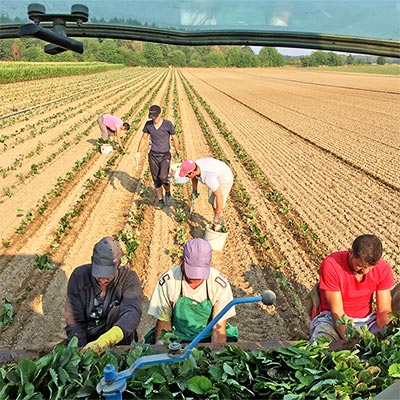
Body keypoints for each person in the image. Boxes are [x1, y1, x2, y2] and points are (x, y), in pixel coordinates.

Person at [145, 238, 238, 344]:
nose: (195, 280)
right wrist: (163, 351)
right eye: (191, 274)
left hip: (207, 335)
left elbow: (218, 328)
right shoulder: (168, 281)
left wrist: (216, 354)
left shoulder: (219, 284)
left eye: (199, 276)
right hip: (177, 336)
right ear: (182, 260)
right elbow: (164, 323)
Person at [64, 236, 142, 354]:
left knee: (118, 311)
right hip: (87, 336)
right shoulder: (79, 276)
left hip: (117, 340)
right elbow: (74, 319)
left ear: (119, 264)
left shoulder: (129, 278)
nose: (103, 280)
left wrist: (106, 341)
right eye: (99, 274)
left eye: (108, 274)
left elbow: (132, 312)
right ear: (92, 261)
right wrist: (83, 352)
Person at [310, 234, 394, 341]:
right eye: (360, 265)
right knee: (322, 342)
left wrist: (388, 330)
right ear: (351, 253)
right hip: (332, 318)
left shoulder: (383, 269)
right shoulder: (332, 265)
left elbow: (383, 311)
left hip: (366, 321)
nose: (365, 271)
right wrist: (352, 341)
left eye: (370, 268)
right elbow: (337, 313)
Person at [135, 105, 181, 209]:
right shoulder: (148, 125)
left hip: (165, 155)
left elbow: (174, 137)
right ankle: (160, 201)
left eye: (155, 116)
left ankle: (168, 193)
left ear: (160, 114)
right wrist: (138, 152)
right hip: (153, 155)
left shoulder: (167, 124)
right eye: (152, 117)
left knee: (163, 177)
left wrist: (177, 149)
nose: (153, 119)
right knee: (156, 180)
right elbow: (144, 138)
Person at [179, 158, 233, 225]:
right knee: (212, 201)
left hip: (224, 178)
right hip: (216, 173)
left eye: (186, 175)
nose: (186, 177)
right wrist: (194, 190)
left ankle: (220, 223)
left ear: (192, 172)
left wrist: (218, 214)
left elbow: (219, 195)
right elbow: (194, 177)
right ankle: (217, 217)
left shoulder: (209, 177)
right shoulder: (194, 166)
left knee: (217, 205)